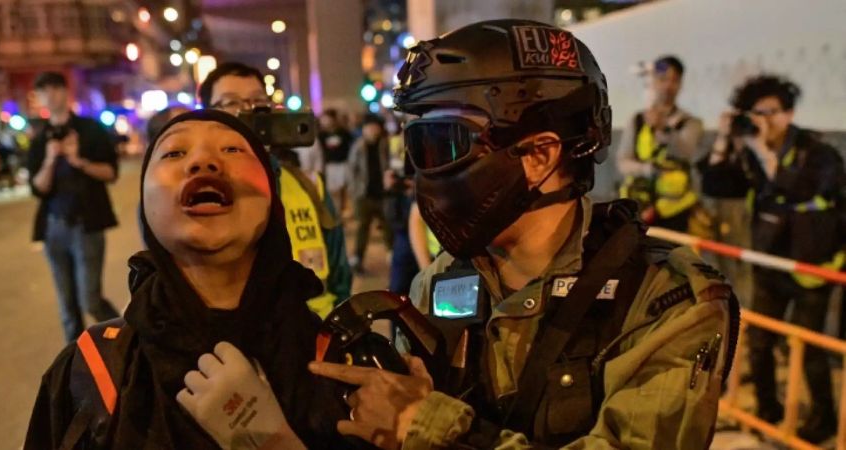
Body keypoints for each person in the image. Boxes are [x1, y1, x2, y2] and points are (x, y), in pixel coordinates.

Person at [309, 20, 737, 449]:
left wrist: (423, 426)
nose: (422, 171)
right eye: (416, 147)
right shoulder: (441, 281)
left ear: (540, 155)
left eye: (442, 143)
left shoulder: (663, 303)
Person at [24, 110, 350, 449]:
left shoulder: (350, 365)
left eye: (233, 150)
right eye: (174, 153)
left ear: (272, 193)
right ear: (145, 204)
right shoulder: (89, 372)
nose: (203, 162)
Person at [736, 75, 846, 443]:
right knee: (760, 342)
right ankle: (767, 409)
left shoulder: (819, 152)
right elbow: (715, 184)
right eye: (757, 113)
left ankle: (824, 420)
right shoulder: (751, 151)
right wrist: (725, 143)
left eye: (771, 112)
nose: (763, 120)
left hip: (813, 265)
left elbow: (803, 190)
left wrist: (767, 157)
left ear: (789, 113)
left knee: (810, 348)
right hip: (770, 263)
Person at [199, 62, 351, 318]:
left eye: (258, 101)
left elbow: (340, 276)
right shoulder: (196, 193)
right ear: (207, 116)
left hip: (316, 336)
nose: (249, 111)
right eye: (231, 103)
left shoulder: (309, 184)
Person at [27, 71, 120, 342]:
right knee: (67, 307)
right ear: (40, 97)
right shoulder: (40, 139)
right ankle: (75, 366)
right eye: (44, 91)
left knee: (90, 299)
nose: (51, 95)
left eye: (55, 89)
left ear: (65, 92)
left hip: (86, 225)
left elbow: (110, 173)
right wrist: (50, 159)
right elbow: (37, 188)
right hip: (54, 229)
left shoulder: (90, 130)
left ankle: (127, 338)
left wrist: (78, 159)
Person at [617, 55, 706, 232]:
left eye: (674, 80)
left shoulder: (691, 123)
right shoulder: (636, 120)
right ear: (653, 82)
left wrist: (663, 129)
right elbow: (623, 162)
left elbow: (686, 152)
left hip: (675, 210)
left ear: (680, 84)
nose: (668, 86)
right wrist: (647, 170)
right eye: (663, 79)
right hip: (639, 206)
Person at [696, 109, 767, 308]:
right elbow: (708, 171)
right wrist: (722, 135)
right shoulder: (721, 147)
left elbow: (762, 178)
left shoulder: (752, 153)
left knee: (739, 264)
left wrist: (754, 140)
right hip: (713, 208)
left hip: (740, 211)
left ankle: (740, 309)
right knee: (714, 261)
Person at [347, 113, 394, 274]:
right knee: (363, 228)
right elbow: (352, 171)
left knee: (389, 227)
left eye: (376, 127)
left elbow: (390, 164)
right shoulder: (358, 146)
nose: (373, 130)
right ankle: (357, 260)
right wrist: (355, 193)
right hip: (364, 195)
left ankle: (393, 258)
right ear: (364, 129)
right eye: (370, 127)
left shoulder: (384, 145)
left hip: (383, 194)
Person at [318, 109, 354, 214]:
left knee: (343, 188)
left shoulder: (343, 133)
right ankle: (335, 210)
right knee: (332, 190)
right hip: (330, 165)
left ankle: (344, 209)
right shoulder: (322, 135)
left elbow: (350, 147)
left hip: (343, 164)